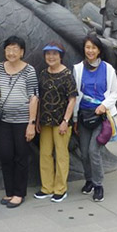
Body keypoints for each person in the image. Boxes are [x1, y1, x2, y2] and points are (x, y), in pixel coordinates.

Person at [0, 36, 39, 208]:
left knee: (21, 157)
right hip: (5, 120)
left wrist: (31, 124)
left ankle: (19, 193)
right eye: (9, 49)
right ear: (4, 51)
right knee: (5, 156)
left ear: (22, 52)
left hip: (22, 121)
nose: (11, 52)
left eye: (15, 49)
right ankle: (9, 191)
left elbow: (34, 98)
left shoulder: (29, 71)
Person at [73, 33, 117, 203]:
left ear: (99, 50)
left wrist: (104, 106)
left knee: (94, 151)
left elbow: (115, 92)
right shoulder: (78, 69)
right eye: (87, 47)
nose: (90, 50)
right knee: (84, 153)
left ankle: (98, 185)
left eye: (93, 47)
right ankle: (89, 181)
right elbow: (76, 95)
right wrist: (75, 119)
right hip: (84, 117)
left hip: (100, 117)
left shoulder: (108, 69)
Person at [32, 42, 78, 203]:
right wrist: (37, 119)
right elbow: (40, 98)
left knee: (61, 155)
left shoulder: (67, 74)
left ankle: (60, 189)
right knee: (45, 154)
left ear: (60, 56)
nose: (51, 57)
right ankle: (47, 187)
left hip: (61, 122)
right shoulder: (43, 73)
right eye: (48, 54)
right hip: (45, 121)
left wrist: (66, 120)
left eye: (54, 54)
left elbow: (72, 99)